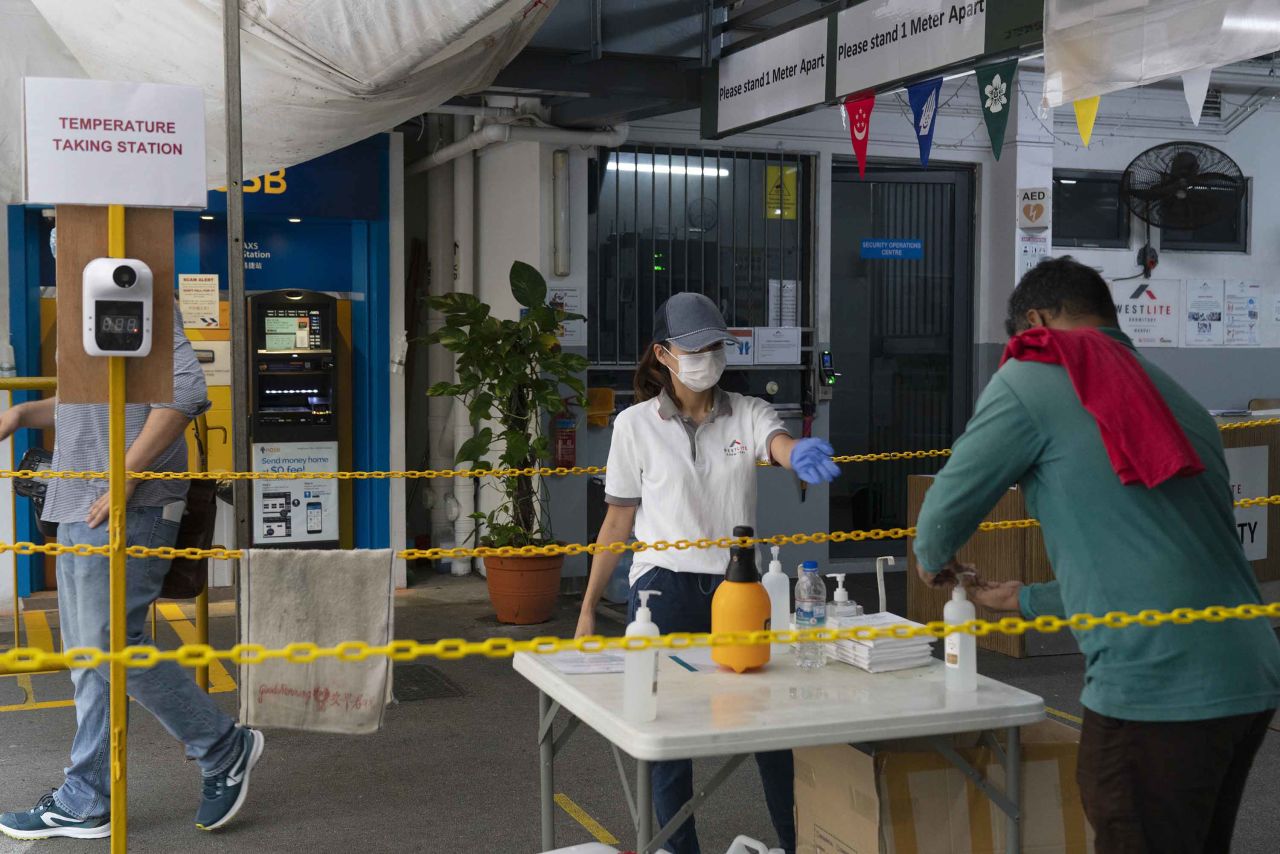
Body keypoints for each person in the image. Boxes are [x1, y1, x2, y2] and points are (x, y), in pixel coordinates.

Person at [913, 257, 1280, 854]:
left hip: (1157, 685)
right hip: (1246, 673)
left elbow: (944, 512)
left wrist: (930, 559)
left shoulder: (1035, 373)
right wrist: (1024, 599)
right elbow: (1166, 562)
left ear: (1035, 322)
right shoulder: (1173, 397)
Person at [575, 292, 840, 854]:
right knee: (668, 735)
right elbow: (617, 522)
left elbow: (777, 442)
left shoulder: (746, 410)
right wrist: (585, 612)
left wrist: (797, 454)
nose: (706, 357)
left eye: (716, 345)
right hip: (660, 592)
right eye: (694, 347)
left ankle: (802, 842)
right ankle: (679, 848)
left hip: (736, 590)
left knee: (772, 728)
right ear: (663, 355)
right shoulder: (633, 426)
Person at [0, 308, 264, 841]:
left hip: (131, 505)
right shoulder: (83, 300)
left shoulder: (136, 292)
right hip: (77, 500)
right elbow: (93, 409)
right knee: (87, 659)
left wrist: (126, 474)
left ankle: (221, 745)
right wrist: (26, 412)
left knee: (108, 643)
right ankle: (85, 799)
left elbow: (185, 393)